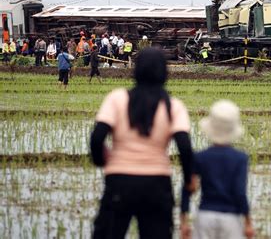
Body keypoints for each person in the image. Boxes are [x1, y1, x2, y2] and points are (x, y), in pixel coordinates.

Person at [90, 47, 194, 238]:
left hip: (119, 181)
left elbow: (97, 138)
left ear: (136, 70)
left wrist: (102, 160)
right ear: (164, 72)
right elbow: (185, 148)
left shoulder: (116, 99)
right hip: (157, 183)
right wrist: (189, 180)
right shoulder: (173, 106)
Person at [180, 100, 254, 239]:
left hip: (205, 217)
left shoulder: (200, 157)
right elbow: (239, 193)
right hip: (230, 219)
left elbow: (187, 188)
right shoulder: (240, 158)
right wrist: (248, 222)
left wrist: (184, 221)